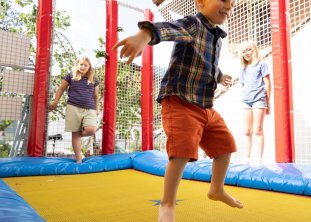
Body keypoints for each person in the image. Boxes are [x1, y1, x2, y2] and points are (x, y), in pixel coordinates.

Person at [113, 0, 243, 221]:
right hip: (181, 101)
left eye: (231, 3)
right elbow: (167, 29)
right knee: (182, 151)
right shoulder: (193, 24)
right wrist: (144, 35)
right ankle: (167, 204)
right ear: (200, 3)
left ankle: (216, 189)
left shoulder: (216, 36)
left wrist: (220, 76)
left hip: (205, 106)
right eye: (222, 0)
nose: (228, 6)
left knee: (226, 145)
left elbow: (207, 63)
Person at [49, 57, 99, 164]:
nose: (83, 67)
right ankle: (79, 159)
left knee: (91, 130)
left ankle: (77, 135)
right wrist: (55, 102)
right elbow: (61, 88)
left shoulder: (93, 79)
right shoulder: (70, 75)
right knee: (75, 134)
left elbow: (95, 96)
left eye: (86, 65)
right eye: (81, 64)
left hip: (89, 108)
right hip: (73, 107)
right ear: (77, 65)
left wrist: (97, 109)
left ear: (89, 67)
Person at [239, 41, 271, 165]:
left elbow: (268, 84)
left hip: (259, 100)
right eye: (243, 51)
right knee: (247, 130)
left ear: (254, 50)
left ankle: (259, 158)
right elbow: (243, 86)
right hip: (246, 101)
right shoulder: (243, 68)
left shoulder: (261, 64)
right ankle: (247, 157)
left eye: (249, 50)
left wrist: (268, 103)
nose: (246, 53)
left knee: (258, 129)